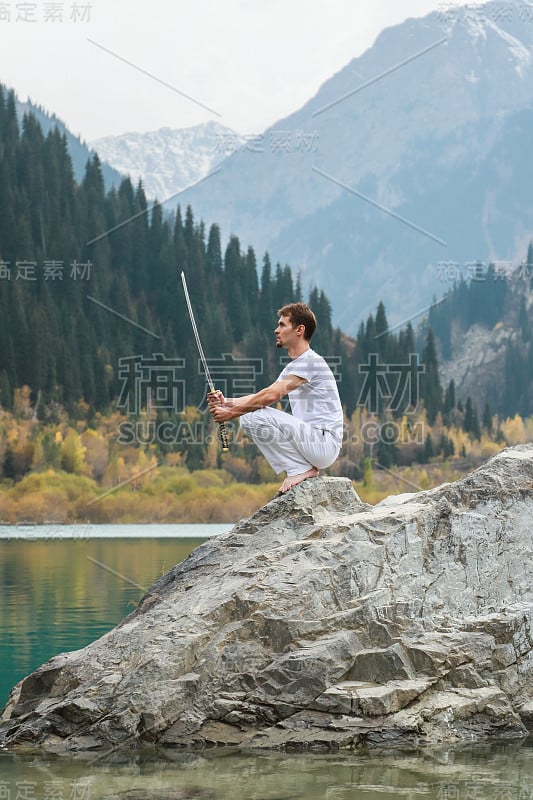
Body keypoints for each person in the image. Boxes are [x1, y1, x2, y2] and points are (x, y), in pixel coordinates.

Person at [208, 302, 344, 494]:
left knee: (250, 416)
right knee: (250, 413)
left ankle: (301, 470)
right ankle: (302, 469)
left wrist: (232, 414)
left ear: (299, 330)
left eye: (282, 325)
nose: (276, 330)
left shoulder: (310, 362)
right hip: (313, 443)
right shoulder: (295, 367)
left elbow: (271, 395)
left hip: (323, 443)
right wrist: (227, 402)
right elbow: (261, 395)